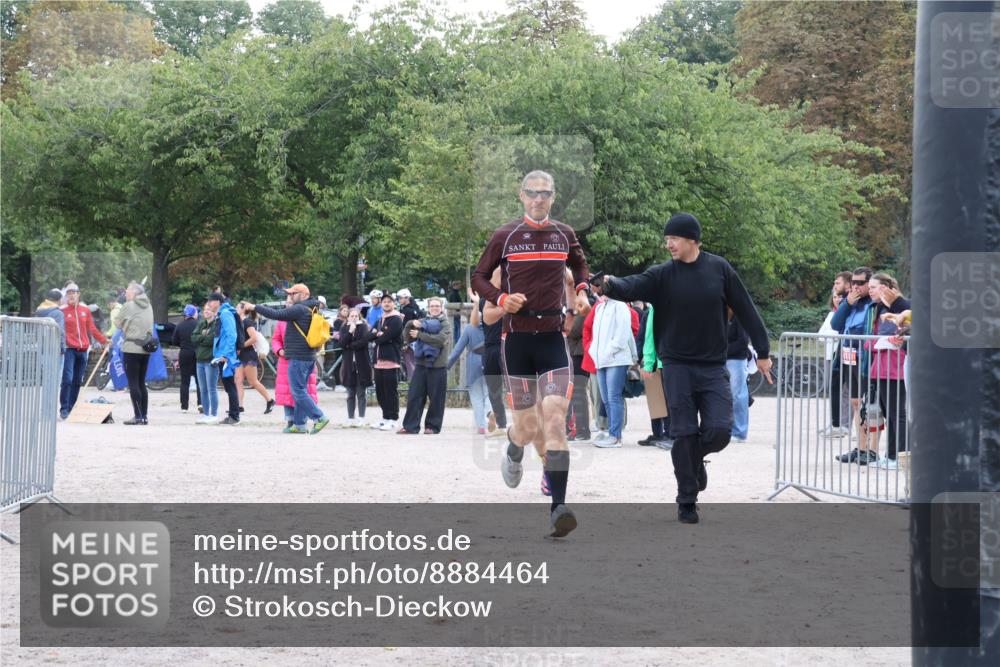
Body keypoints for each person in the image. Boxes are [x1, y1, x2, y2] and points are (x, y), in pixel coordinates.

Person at [600, 212, 772, 524]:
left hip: (711, 366)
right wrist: (608, 284)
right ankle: (687, 500)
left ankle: (694, 460)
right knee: (683, 432)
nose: (669, 244)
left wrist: (763, 351)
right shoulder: (664, 275)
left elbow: (746, 309)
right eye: (666, 239)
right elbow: (632, 285)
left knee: (719, 431)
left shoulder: (719, 269)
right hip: (676, 366)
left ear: (692, 239)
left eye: (674, 238)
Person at [471, 169, 590, 538]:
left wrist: (582, 290)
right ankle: (513, 444)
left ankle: (559, 508)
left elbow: (579, 265)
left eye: (545, 193)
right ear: (521, 196)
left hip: (553, 339)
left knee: (554, 419)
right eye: (532, 193)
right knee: (527, 427)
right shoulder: (505, 235)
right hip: (517, 341)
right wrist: (502, 299)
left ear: (553, 198)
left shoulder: (564, 234)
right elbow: (479, 276)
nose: (539, 199)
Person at [243, 284, 330, 435]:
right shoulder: (311, 308)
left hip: (298, 357)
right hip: (308, 357)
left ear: (303, 295)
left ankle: (319, 417)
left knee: (298, 392)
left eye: (293, 293)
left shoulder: (299, 309)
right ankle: (300, 424)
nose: (290, 296)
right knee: (301, 391)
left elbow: (276, 314)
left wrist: (254, 306)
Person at [862, 273, 910, 469]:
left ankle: (900, 457)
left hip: (896, 368)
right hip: (880, 368)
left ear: (887, 288)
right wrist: (879, 342)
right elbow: (870, 341)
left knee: (898, 413)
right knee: (889, 415)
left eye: (874, 286)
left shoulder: (903, 307)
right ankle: (890, 455)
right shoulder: (876, 310)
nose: (870, 290)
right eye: (870, 286)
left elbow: (904, 333)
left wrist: (885, 342)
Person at [830, 267, 875, 462]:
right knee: (856, 402)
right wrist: (846, 304)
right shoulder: (850, 301)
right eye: (853, 283)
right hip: (849, 355)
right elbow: (835, 324)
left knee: (868, 404)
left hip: (866, 356)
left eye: (860, 283)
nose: (855, 286)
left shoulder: (873, 302)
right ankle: (860, 447)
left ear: (868, 283)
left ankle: (869, 449)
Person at [588, 289, 639, 448]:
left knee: (613, 397)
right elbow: (595, 334)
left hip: (616, 359)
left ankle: (616, 436)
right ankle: (612, 432)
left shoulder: (620, 306)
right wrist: (594, 352)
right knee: (606, 398)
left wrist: (609, 350)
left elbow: (622, 333)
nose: (599, 290)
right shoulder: (599, 307)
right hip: (600, 359)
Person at [399, 297, 452, 434]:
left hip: (438, 367)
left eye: (437, 306)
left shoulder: (445, 323)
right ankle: (411, 426)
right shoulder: (422, 322)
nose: (434, 308)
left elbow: (440, 340)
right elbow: (407, 337)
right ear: (428, 308)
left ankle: (432, 427)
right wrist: (410, 323)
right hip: (421, 365)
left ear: (441, 308)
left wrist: (420, 335)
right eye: (432, 306)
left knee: (436, 399)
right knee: (414, 396)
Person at [59, 282, 109, 419]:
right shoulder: (62, 310)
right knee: (67, 379)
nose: (71, 296)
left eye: (73, 293)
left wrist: (104, 341)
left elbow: (92, 329)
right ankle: (64, 408)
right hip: (69, 349)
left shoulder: (85, 309)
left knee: (77, 381)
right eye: (68, 293)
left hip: (83, 350)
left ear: (78, 294)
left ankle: (72, 407)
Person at [270, 295, 320, 429]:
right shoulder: (282, 321)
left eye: (290, 303)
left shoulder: (305, 317)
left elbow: (316, 336)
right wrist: (279, 350)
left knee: (301, 391)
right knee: (286, 391)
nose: (287, 305)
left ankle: (302, 421)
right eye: (286, 303)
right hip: (285, 360)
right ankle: (291, 420)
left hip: (301, 357)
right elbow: (275, 339)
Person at [448, 292, 491, 434]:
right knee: (490, 394)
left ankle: (481, 425)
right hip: (491, 361)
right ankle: (490, 418)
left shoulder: (469, 328)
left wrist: (446, 367)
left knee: (476, 395)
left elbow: (457, 350)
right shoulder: (494, 327)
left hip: (474, 362)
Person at [113, 282, 155, 425]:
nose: (126, 292)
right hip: (145, 347)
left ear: (135, 292)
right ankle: (144, 416)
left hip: (131, 347)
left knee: (133, 383)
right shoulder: (149, 306)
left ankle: (137, 416)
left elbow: (117, 324)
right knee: (141, 382)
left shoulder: (128, 306)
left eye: (128, 290)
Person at [367, 294, 405, 431]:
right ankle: (385, 417)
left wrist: (378, 336)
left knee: (390, 390)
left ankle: (393, 419)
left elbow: (387, 337)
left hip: (390, 359)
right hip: (378, 361)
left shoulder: (396, 319)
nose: (386, 304)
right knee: (380, 391)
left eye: (389, 302)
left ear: (393, 304)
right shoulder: (380, 319)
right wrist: (378, 334)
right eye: (384, 302)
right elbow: (369, 335)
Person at [637, 303, 672, 449]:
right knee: (655, 400)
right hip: (656, 360)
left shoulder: (660, 308)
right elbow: (645, 336)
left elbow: (650, 337)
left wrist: (647, 361)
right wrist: (643, 360)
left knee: (666, 400)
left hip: (664, 361)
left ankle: (669, 434)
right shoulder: (650, 310)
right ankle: (658, 434)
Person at [478, 269, 508, 438]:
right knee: (493, 388)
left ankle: (526, 424)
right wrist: (476, 303)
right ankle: (502, 425)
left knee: (518, 385)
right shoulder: (484, 301)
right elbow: (475, 322)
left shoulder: (511, 299)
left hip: (508, 344)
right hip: (490, 347)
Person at [818, 287, 850, 438]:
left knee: (845, 391)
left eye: (839, 297)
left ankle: (845, 424)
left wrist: (831, 335)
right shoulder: (831, 314)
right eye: (835, 296)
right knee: (830, 388)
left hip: (841, 354)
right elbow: (820, 335)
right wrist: (832, 335)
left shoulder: (847, 315)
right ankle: (835, 422)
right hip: (829, 355)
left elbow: (836, 334)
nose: (837, 299)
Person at [206, 293, 242, 426]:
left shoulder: (225, 313)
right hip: (223, 355)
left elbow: (232, 334)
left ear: (218, 302)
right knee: (229, 386)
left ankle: (234, 416)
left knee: (230, 386)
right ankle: (233, 415)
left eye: (211, 301)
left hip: (226, 357)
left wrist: (226, 355)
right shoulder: (222, 314)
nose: (209, 304)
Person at [234, 303, 275, 414]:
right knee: (238, 380)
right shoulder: (237, 322)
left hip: (248, 355)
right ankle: (239, 406)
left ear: (243, 310)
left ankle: (270, 400)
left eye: (237, 307)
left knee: (253, 382)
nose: (235, 308)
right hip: (240, 355)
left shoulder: (247, 322)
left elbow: (253, 338)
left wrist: (241, 346)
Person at [339, 307, 373, 426]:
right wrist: (349, 332)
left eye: (356, 316)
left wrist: (350, 345)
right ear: (348, 317)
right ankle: (350, 417)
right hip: (349, 365)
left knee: (361, 392)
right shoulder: (344, 327)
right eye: (352, 316)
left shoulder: (363, 327)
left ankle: (361, 417)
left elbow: (363, 342)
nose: (354, 318)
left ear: (359, 317)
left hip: (362, 364)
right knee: (350, 393)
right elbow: (342, 344)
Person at [171, 304, 203, 414]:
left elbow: (174, 341)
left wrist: (183, 344)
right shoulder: (199, 324)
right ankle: (201, 404)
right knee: (200, 381)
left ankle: (184, 406)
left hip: (184, 354)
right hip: (198, 354)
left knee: (185, 382)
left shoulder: (179, 325)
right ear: (194, 314)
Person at [191, 303, 219, 424]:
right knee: (203, 389)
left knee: (211, 388)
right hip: (199, 361)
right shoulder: (201, 323)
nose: (206, 311)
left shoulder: (217, 324)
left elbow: (212, 340)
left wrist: (202, 338)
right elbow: (193, 338)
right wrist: (203, 338)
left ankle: (214, 414)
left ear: (214, 312)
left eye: (209, 309)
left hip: (210, 361)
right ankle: (206, 414)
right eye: (205, 309)